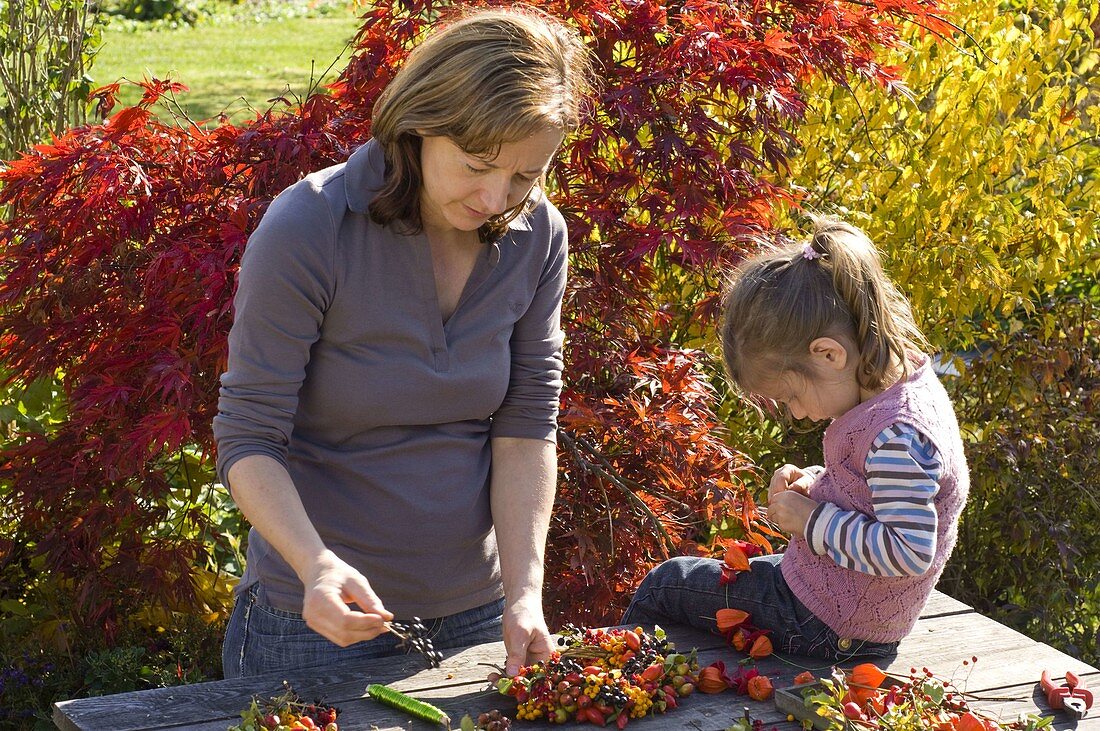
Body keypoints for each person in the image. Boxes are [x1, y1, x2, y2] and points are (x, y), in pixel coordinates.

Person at [213, 6, 592, 679]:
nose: (496, 196)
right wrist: (315, 564)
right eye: (477, 165)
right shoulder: (311, 226)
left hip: (480, 614)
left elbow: (528, 425)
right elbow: (249, 437)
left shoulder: (540, 236)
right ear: (418, 126)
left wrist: (525, 591)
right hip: (314, 619)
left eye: (525, 176)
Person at [622, 217, 969, 660]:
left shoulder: (897, 432)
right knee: (723, 574)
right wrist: (816, 481)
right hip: (840, 604)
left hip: (830, 624)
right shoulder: (902, 391)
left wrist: (810, 518)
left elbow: (906, 550)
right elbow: (877, 489)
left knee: (667, 583)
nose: (796, 413)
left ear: (828, 354)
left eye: (790, 396)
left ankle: (620, 680)